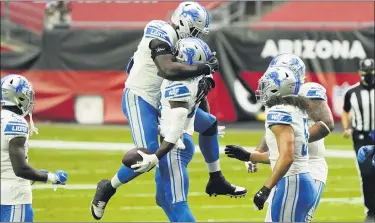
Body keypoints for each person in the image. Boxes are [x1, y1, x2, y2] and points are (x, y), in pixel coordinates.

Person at [91, 2, 246, 220]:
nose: (197, 36)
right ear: (182, 21)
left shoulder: (188, 48)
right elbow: (168, 69)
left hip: (167, 102)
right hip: (142, 96)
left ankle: (216, 176)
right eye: (195, 30)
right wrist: (204, 68)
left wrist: (203, 82)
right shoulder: (160, 31)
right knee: (149, 152)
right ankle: (109, 187)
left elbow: (197, 93)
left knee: (209, 123)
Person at [246, 53, 334, 221]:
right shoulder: (276, 96)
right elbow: (276, 131)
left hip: (310, 166)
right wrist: (258, 152)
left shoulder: (308, 91)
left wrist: (295, 140)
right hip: (286, 169)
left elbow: (327, 124)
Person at [225, 67, 317, 222]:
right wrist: (250, 156)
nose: (262, 89)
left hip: (292, 183)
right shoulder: (294, 109)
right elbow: (280, 154)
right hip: (300, 182)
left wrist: (266, 188)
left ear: (279, 87)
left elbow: (287, 157)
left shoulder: (279, 112)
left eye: (267, 84)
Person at [142, 37, 214, 222]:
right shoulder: (194, 78)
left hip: (175, 147)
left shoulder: (180, 84)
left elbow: (175, 129)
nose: (172, 55)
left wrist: (155, 156)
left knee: (178, 202)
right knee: (163, 199)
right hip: (176, 141)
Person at [1, 74, 68, 222]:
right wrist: (51, 177)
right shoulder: (16, 123)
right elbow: (20, 170)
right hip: (13, 199)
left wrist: (35, 174)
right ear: (18, 96)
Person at [341, 58, 375, 222]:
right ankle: (371, 210)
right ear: (360, 72)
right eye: (366, 71)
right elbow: (345, 111)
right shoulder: (352, 92)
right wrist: (347, 127)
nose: (368, 74)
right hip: (362, 137)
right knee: (367, 173)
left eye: (371, 71)